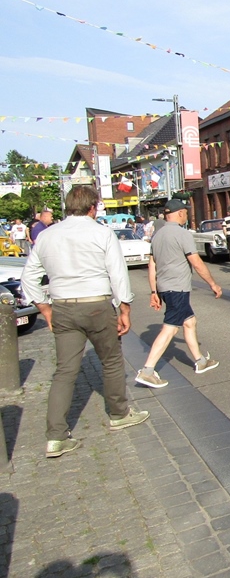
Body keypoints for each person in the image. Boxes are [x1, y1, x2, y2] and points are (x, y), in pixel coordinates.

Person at [20, 186, 149, 459]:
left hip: (63, 306)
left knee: (65, 371)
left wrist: (44, 308)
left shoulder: (47, 235)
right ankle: (119, 413)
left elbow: (28, 277)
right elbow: (118, 274)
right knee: (111, 361)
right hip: (97, 304)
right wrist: (124, 308)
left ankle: (56, 437)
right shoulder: (102, 233)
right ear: (92, 207)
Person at [135, 199, 223, 389]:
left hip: (165, 288)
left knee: (189, 321)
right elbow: (196, 262)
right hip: (178, 288)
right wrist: (213, 284)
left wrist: (153, 291)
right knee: (171, 328)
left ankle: (200, 361)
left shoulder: (157, 236)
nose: (187, 215)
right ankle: (147, 371)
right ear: (181, 213)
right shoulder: (183, 234)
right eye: (186, 212)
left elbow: (152, 265)